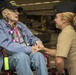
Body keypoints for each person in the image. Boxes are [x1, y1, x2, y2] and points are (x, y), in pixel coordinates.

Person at [0, 1, 48, 75]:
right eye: (14, 11)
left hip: (26, 55)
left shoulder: (20, 25)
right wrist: (29, 49)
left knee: (38, 55)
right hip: (8, 58)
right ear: (5, 13)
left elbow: (31, 37)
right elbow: (7, 46)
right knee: (22, 56)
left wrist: (38, 41)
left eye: (17, 11)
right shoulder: (1, 26)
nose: (18, 13)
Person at [42, 2, 76, 75]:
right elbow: (60, 52)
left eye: (56, 17)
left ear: (64, 20)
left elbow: (59, 60)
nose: (54, 20)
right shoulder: (70, 31)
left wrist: (59, 73)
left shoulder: (65, 33)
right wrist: (43, 49)